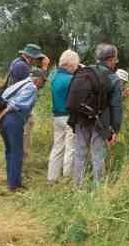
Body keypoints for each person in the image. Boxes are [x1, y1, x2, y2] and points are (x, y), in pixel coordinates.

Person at [70, 43, 123, 188]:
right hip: (100, 123)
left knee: (80, 152)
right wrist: (115, 130)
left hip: (80, 118)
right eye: (115, 60)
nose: (115, 63)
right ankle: (98, 190)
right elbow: (116, 107)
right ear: (111, 60)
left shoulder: (85, 71)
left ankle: (77, 187)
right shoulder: (114, 79)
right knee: (98, 155)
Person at [0, 69, 47, 192]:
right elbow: (15, 104)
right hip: (13, 120)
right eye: (43, 81)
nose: (43, 85)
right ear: (37, 79)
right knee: (17, 152)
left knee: (9, 151)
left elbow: (4, 95)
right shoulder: (32, 88)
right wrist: (3, 114)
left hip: (3, 122)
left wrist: (0, 117)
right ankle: (15, 185)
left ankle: (11, 180)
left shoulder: (21, 83)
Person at [6, 43, 51, 160]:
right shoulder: (22, 66)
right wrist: (44, 68)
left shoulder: (17, 62)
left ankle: (19, 162)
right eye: (37, 59)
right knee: (24, 133)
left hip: (16, 104)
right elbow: (37, 84)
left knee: (22, 133)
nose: (37, 62)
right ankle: (21, 163)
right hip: (20, 107)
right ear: (30, 57)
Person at [47, 50, 80, 183]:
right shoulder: (71, 79)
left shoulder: (54, 77)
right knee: (70, 148)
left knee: (57, 146)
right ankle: (67, 177)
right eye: (76, 66)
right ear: (70, 65)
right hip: (69, 117)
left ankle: (52, 177)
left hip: (56, 116)